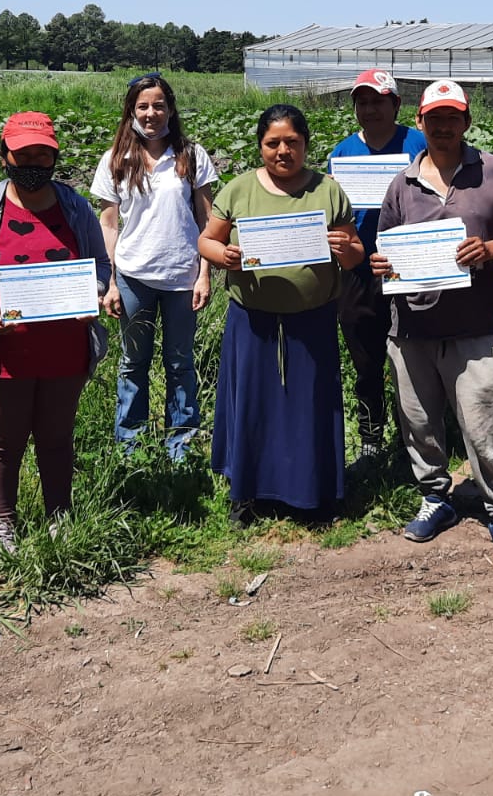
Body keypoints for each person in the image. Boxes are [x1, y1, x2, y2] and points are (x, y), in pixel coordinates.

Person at [369, 80, 493, 569]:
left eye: (452, 117)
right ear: (420, 122)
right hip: (412, 328)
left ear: (466, 121)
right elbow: (385, 247)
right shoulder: (403, 183)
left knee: (482, 428)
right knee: (420, 424)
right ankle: (436, 497)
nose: (442, 126)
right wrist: (384, 265)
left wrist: (489, 250)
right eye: (433, 118)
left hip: (475, 327)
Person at [0, 112, 111, 555]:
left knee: (57, 437)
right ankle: (3, 527)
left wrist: (90, 294)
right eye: (24, 154)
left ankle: (60, 520)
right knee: (4, 438)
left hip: (66, 347)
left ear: (55, 157)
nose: (34, 162)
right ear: (4, 157)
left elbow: (101, 267)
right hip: (4, 349)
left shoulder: (75, 208)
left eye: (43, 154)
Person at [201, 105, 364, 521]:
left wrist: (346, 251)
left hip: (313, 319)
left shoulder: (328, 190)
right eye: (273, 143)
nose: (283, 151)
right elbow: (207, 241)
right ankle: (248, 494)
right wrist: (224, 255)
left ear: (306, 144)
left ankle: (314, 493)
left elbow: (355, 251)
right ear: (260, 146)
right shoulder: (238, 190)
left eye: (292, 142)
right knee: (254, 407)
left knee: (309, 406)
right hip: (252, 321)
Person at [91, 73, 218, 460]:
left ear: (170, 109)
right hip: (133, 277)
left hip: (181, 276)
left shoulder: (192, 155)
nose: (151, 113)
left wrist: (205, 273)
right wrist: (109, 281)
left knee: (180, 361)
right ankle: (130, 445)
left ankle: (180, 444)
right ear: (131, 111)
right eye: (143, 106)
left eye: (158, 105)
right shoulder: (116, 159)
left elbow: (207, 219)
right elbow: (109, 225)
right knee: (133, 362)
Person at [327, 69, 426, 462]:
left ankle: (417, 436)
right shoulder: (343, 152)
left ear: (396, 105)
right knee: (365, 360)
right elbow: (335, 211)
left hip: (411, 267)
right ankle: (371, 437)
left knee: (414, 358)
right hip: (359, 270)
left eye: (378, 101)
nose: (369, 109)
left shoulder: (417, 144)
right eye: (362, 102)